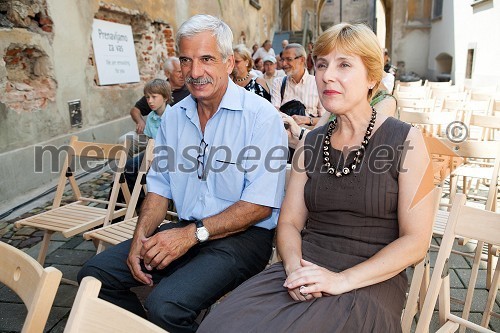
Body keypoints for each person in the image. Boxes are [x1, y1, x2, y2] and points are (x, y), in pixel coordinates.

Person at [198, 22, 434, 333]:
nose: (327, 75)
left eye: (344, 64)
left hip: (369, 280)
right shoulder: (310, 144)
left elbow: (417, 242)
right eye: (321, 64)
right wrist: (294, 267)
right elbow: (290, 223)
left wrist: (341, 280)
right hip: (304, 267)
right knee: (219, 325)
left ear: (372, 77)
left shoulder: (409, 141)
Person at [78, 14, 287, 333]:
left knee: (166, 304)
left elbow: (259, 205)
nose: (195, 71)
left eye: (206, 59)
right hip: (186, 228)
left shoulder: (260, 117)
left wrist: (191, 235)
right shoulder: (175, 118)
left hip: (244, 238)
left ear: (229, 62)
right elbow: (159, 188)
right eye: (186, 60)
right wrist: (140, 238)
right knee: (94, 276)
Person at [120, 57, 189, 157]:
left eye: (183, 71)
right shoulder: (157, 89)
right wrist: (140, 121)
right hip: (151, 135)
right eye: (178, 72)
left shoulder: (190, 91)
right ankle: (125, 171)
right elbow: (135, 110)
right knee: (124, 140)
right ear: (167, 73)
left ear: (166, 97)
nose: (182, 75)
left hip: (174, 138)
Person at [123, 79, 171, 194]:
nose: (150, 101)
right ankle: (135, 201)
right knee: (129, 166)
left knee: (152, 173)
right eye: (147, 97)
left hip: (169, 155)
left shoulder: (173, 115)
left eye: (154, 97)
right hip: (152, 153)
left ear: (165, 97)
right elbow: (150, 141)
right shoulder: (150, 117)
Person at [271, 43, 324, 127]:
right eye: (282, 59)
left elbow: (325, 119)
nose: (284, 64)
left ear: (302, 60)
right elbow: (274, 113)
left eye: (289, 59)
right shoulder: (278, 83)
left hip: (308, 136)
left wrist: (307, 120)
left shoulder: (317, 83)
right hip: (285, 135)